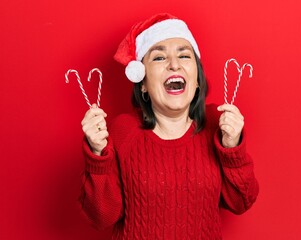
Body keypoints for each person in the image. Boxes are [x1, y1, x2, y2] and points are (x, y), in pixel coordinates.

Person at [79, 13, 259, 240]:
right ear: (142, 83)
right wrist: (97, 156)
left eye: (184, 55)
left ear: (196, 81)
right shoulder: (123, 131)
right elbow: (100, 218)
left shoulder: (217, 124)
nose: (174, 64)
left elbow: (242, 202)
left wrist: (233, 150)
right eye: (159, 58)